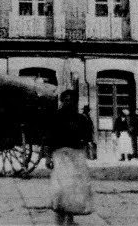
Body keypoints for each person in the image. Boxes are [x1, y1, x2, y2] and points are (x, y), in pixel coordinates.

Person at [45, 90, 94, 225]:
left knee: (74, 189)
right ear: (62, 101)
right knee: (60, 189)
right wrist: (48, 157)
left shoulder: (80, 119)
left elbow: (87, 137)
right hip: (60, 155)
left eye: (71, 100)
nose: (69, 102)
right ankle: (59, 221)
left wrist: (88, 150)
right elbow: (48, 139)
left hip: (77, 155)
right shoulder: (55, 117)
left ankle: (70, 220)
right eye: (66, 100)